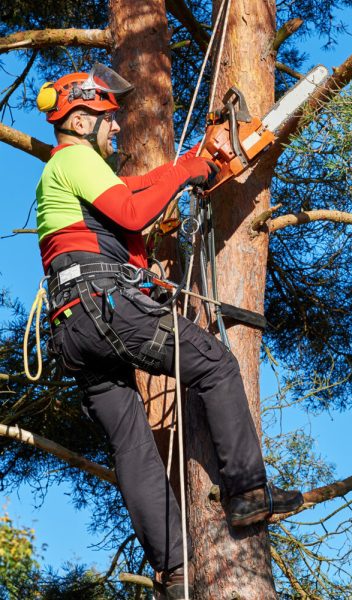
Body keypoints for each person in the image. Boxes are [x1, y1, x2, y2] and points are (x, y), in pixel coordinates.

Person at [35, 63, 303, 597]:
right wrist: (185, 171)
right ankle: (247, 492)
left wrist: (191, 165)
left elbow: (132, 193)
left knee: (132, 445)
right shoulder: (76, 160)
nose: (116, 129)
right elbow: (133, 211)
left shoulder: (71, 178)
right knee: (215, 365)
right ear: (83, 120)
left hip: (72, 329)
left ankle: (174, 571)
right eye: (109, 119)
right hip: (103, 307)